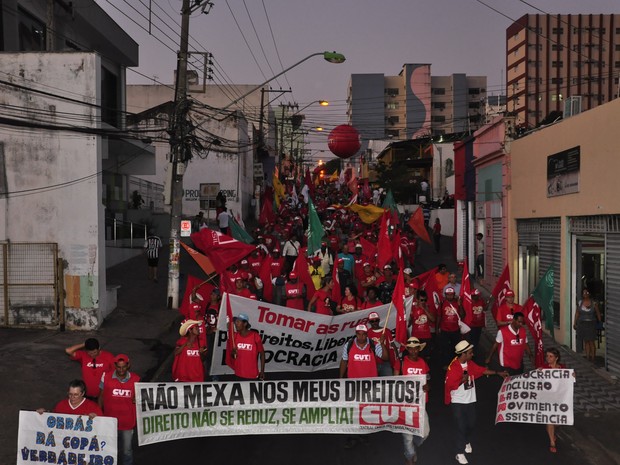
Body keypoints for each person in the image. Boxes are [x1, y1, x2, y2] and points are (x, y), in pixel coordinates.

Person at [445, 341, 507, 465]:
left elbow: (481, 370)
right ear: (463, 354)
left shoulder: (469, 363)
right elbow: (449, 385)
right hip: (458, 402)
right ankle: (459, 452)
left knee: (471, 424)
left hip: (470, 400)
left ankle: (466, 440)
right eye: (470, 353)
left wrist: (497, 373)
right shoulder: (453, 368)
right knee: (460, 426)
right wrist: (461, 380)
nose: (472, 354)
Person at [98, 354, 140, 465]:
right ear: (115, 366)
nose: (121, 370)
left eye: (124, 367)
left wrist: (138, 399)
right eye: (118, 367)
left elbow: (140, 398)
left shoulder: (136, 379)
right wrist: (99, 416)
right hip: (110, 423)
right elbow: (101, 397)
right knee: (110, 450)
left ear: (128, 365)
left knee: (127, 451)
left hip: (127, 423)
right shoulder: (105, 377)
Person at [397, 337, 430, 465]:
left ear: (419, 349)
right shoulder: (401, 363)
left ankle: (413, 445)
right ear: (408, 349)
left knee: (425, 432)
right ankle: (409, 456)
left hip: (420, 404)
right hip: (405, 404)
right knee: (407, 436)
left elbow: (427, 379)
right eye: (410, 349)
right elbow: (394, 381)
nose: (413, 351)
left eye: (416, 348)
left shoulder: (423, 362)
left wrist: (428, 386)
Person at [541, 347, 565, 453]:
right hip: (547, 399)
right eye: (547, 356)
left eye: (551, 356)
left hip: (559, 399)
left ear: (556, 358)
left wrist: (573, 376)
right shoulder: (544, 368)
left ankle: (551, 431)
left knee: (558, 421)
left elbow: (569, 382)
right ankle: (552, 442)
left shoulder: (563, 368)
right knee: (550, 420)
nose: (548, 358)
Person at [37, 379, 103, 418]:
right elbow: (52, 418)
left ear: (83, 393)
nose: (72, 397)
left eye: (76, 395)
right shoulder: (61, 405)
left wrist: (96, 418)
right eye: (70, 394)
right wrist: (44, 413)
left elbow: (103, 424)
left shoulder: (93, 407)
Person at [231, 313, 265, 380]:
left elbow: (262, 354)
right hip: (238, 374)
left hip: (252, 375)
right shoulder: (234, 336)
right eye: (236, 322)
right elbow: (233, 356)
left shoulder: (255, 336)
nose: (236, 324)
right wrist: (233, 353)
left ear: (245, 324)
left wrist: (262, 371)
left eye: (238, 322)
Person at [574, 288, 602, 362]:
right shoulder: (580, 303)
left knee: (591, 341)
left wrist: (600, 322)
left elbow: (598, 313)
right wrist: (575, 322)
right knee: (586, 341)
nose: (585, 294)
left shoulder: (593, 303)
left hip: (591, 324)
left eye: (586, 292)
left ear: (589, 294)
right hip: (582, 324)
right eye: (583, 293)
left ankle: (593, 358)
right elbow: (577, 313)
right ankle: (587, 357)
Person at [367, 312, 397, 376]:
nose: (375, 322)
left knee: (388, 383)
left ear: (379, 320)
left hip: (385, 363)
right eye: (372, 321)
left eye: (376, 320)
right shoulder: (368, 333)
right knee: (373, 384)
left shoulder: (386, 331)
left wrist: (396, 361)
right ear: (369, 322)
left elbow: (393, 346)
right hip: (373, 363)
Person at [438, 287, 462, 369]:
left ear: (454, 295)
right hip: (444, 330)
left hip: (455, 330)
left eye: (451, 294)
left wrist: (460, 305)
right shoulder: (442, 304)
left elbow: (463, 315)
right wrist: (437, 327)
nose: (450, 296)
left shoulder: (457, 303)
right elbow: (439, 316)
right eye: (448, 295)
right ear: (445, 295)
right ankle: (446, 363)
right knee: (445, 347)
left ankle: (455, 363)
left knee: (455, 347)